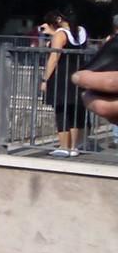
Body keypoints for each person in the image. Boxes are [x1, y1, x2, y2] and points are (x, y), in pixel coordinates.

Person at [39, 9, 89, 156]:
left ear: (58, 20)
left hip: (61, 76)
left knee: (61, 111)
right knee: (75, 111)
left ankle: (63, 146)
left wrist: (45, 79)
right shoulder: (81, 32)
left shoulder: (60, 34)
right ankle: (74, 147)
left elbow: (54, 58)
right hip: (77, 75)